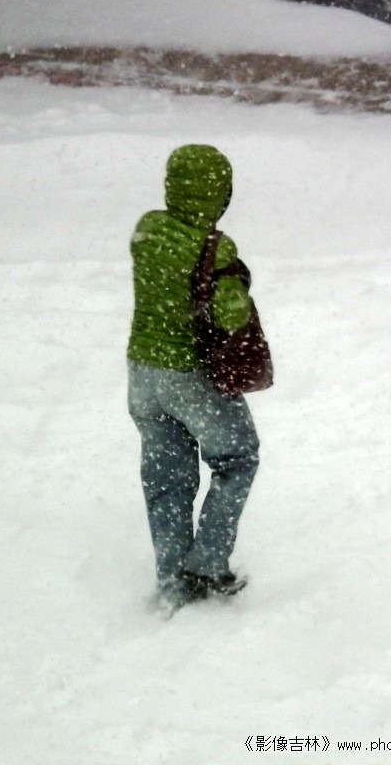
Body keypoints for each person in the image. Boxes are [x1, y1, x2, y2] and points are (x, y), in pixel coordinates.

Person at [127, 144, 260, 610]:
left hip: (143, 374)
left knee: (167, 478)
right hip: (189, 374)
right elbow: (230, 316)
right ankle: (207, 563)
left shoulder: (147, 228)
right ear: (221, 193)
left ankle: (171, 583)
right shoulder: (216, 247)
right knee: (237, 457)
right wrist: (237, 284)